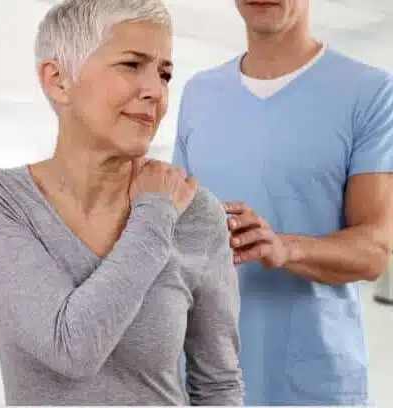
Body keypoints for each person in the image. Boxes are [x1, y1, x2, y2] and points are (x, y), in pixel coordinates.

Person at [0, 0, 244, 405]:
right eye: (131, 65)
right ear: (58, 80)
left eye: (165, 74)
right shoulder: (0, 203)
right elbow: (71, 347)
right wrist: (155, 213)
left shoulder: (196, 214)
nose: (155, 91)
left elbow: (218, 384)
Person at [173, 0, 393, 405]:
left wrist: (285, 247)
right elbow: (179, 238)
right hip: (202, 382)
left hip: (312, 384)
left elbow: (374, 251)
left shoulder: (371, 92)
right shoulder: (198, 93)